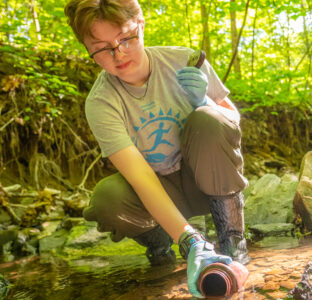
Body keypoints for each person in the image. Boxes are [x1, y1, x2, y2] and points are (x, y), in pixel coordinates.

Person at [64, 0, 250, 297]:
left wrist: (205, 103)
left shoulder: (186, 61)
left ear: (141, 25)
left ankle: (233, 241)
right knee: (106, 199)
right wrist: (190, 243)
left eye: (126, 38)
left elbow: (233, 123)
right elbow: (141, 179)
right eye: (102, 48)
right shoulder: (101, 102)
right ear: (88, 50)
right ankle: (161, 240)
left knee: (209, 119)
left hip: (205, 181)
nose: (118, 53)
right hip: (160, 192)